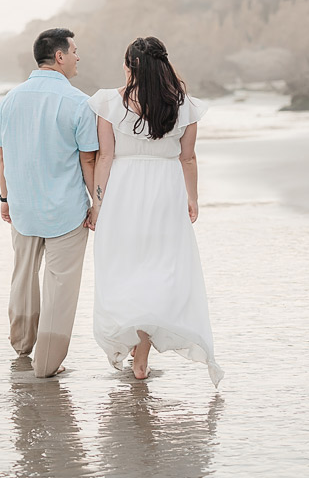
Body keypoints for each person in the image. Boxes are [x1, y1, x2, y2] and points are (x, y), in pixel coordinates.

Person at [86, 36, 223, 387]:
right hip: (167, 191)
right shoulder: (184, 106)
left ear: (130, 65)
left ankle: (137, 342)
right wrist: (192, 197)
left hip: (123, 191)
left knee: (125, 266)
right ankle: (142, 346)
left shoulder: (107, 102)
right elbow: (187, 157)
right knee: (159, 267)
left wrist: (97, 202)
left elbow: (105, 157)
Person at [0, 28, 99, 378]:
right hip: (65, 209)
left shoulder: (10, 99)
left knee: (22, 276)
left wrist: (5, 198)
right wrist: (96, 203)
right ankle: (48, 363)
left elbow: (3, 156)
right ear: (60, 57)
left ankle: (22, 345)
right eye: (75, 51)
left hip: (22, 205)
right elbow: (88, 161)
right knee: (60, 285)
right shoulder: (78, 102)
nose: (78, 57)